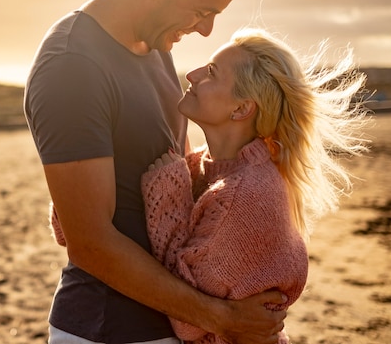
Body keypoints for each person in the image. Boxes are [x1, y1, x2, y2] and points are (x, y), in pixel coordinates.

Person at [24, 0, 290, 343]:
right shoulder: (71, 67)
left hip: (175, 324)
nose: (205, 30)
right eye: (202, 10)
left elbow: (180, 184)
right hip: (107, 329)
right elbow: (90, 242)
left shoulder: (156, 46)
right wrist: (220, 317)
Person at [139, 28, 368, 343]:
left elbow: (188, 323)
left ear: (241, 109)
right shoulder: (208, 167)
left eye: (211, 73)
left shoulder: (247, 193)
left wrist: (166, 193)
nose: (191, 74)